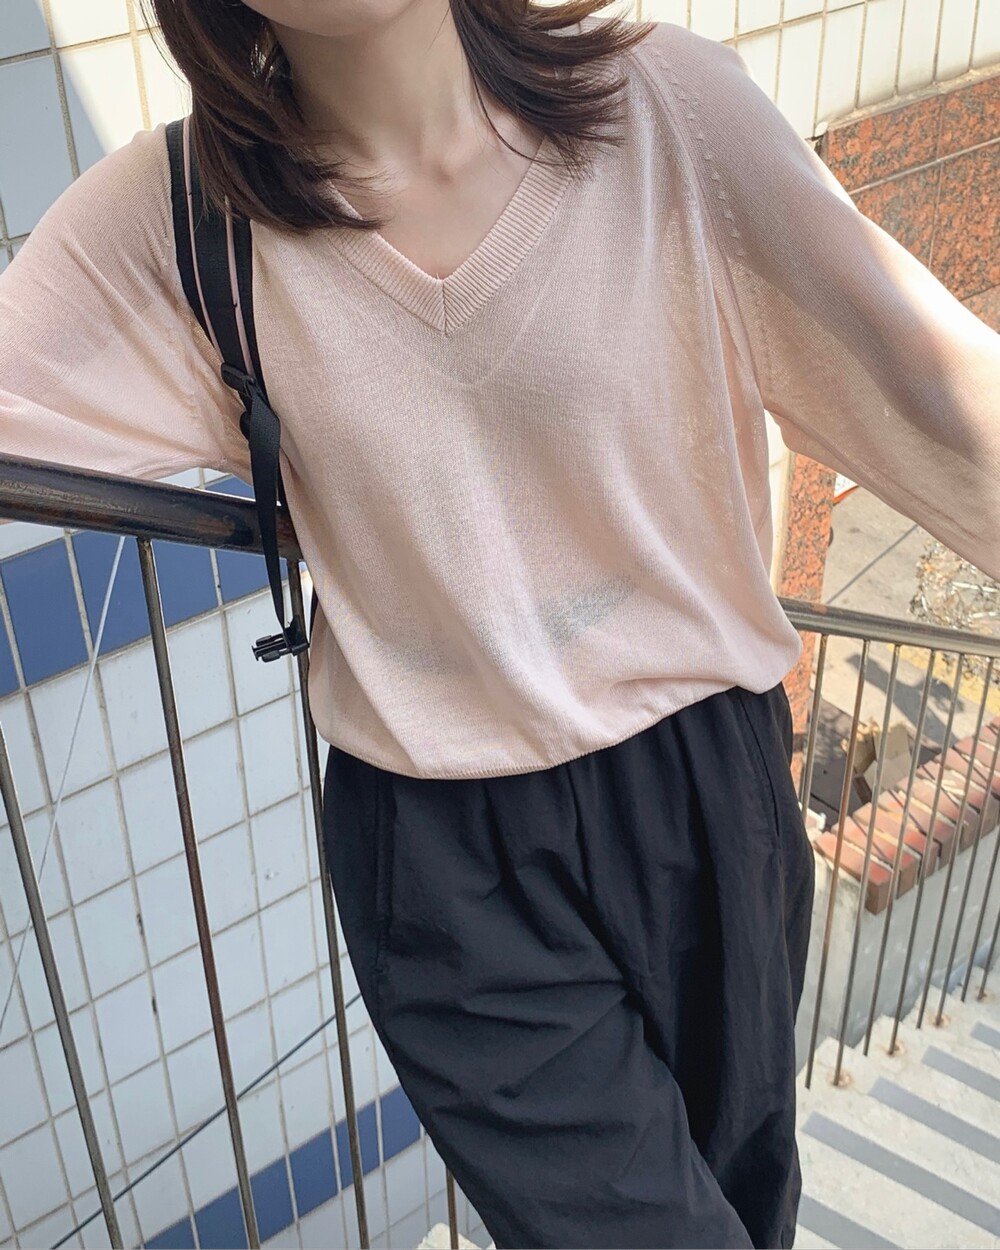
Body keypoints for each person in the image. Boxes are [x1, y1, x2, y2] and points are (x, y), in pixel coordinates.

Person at [2, 0, 999, 1245]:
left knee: (745, 1194)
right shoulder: (178, 218)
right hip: (441, 852)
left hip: (700, 779)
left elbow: (931, 386)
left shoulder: (664, 111)